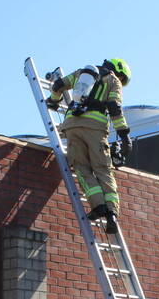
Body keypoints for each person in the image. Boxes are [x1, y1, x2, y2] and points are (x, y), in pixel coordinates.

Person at [46, 58, 132, 234]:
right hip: (95, 129)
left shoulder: (81, 74)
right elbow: (114, 107)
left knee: (81, 167)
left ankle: (98, 205)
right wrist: (124, 135)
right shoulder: (113, 81)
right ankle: (111, 214)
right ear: (119, 72)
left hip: (71, 126)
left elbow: (57, 86)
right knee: (103, 170)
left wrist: (54, 102)